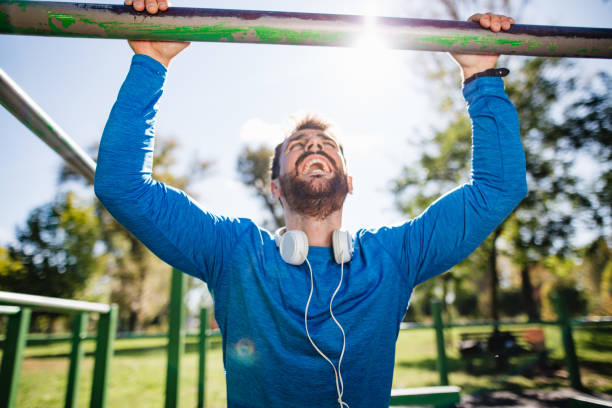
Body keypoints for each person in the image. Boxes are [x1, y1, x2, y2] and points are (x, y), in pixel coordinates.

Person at [94, 1, 525, 406]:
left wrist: (481, 77)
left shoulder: (394, 256)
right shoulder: (235, 253)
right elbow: (123, 186)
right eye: (299, 146)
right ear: (275, 186)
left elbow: (498, 188)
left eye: (327, 146)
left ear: (350, 181)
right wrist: (151, 63)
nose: (314, 148)